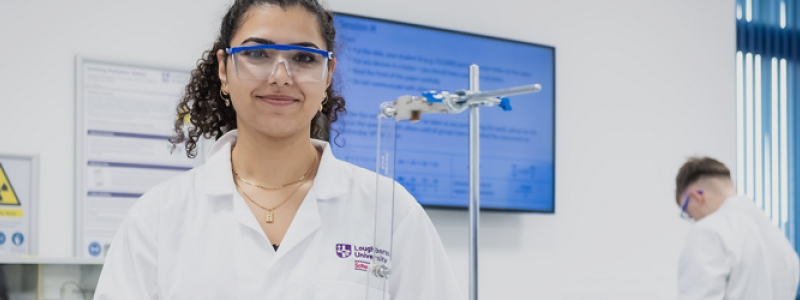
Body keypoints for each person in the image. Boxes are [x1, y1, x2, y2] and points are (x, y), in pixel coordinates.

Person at [93, 0, 461, 299]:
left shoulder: (391, 213)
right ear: (224, 68)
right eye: (258, 54)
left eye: (304, 58)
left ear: (328, 74)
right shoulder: (158, 217)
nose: (281, 76)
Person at [675, 157, 799, 299]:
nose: (694, 220)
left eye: (688, 213)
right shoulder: (780, 240)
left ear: (696, 197)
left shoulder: (709, 230)